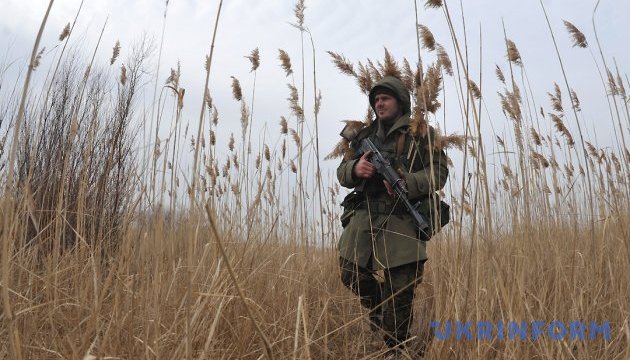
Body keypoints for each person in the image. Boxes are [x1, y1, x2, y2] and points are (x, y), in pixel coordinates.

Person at [336, 75, 449, 354]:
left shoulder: (421, 133)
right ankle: (381, 316)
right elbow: (342, 171)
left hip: (402, 218)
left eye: (385, 98)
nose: (379, 103)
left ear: (400, 101)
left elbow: (439, 173)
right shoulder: (365, 136)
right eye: (375, 99)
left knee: (401, 292)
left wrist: (407, 182)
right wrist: (355, 170)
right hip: (366, 217)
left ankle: (395, 347)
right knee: (350, 272)